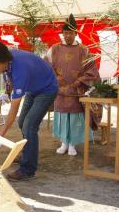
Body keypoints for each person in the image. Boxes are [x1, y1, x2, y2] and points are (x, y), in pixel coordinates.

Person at [0, 41, 58, 181]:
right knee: (22, 122)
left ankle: (28, 170)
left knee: (29, 125)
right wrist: (6, 92)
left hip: (47, 89)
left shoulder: (20, 69)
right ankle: (28, 152)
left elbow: (13, 110)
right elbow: (9, 78)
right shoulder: (8, 60)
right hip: (32, 88)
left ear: (2, 59)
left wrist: (0, 134)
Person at [45, 13, 101, 156]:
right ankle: (64, 143)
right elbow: (45, 66)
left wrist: (79, 81)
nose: (68, 36)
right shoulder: (54, 49)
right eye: (65, 33)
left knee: (75, 117)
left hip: (77, 89)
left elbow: (92, 70)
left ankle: (72, 145)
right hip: (60, 89)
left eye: (70, 33)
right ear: (62, 33)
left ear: (76, 33)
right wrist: (56, 78)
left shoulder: (84, 50)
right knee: (63, 116)